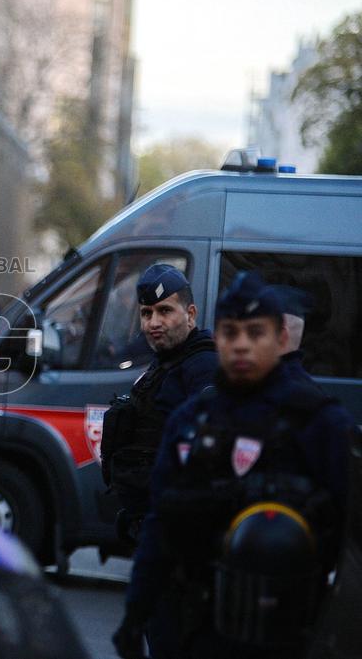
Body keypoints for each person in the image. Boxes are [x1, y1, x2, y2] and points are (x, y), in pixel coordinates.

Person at [113, 271, 356, 659]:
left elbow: (349, 534)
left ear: (278, 340)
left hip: (286, 620)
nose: (241, 345)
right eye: (231, 333)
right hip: (201, 616)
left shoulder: (318, 421)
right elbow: (163, 523)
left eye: (254, 333)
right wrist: (136, 610)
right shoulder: (191, 422)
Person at [101, 264, 217, 548]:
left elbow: (208, 458)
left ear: (190, 315)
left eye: (165, 311)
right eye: (146, 313)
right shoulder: (165, 362)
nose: (153, 323)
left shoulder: (203, 366)